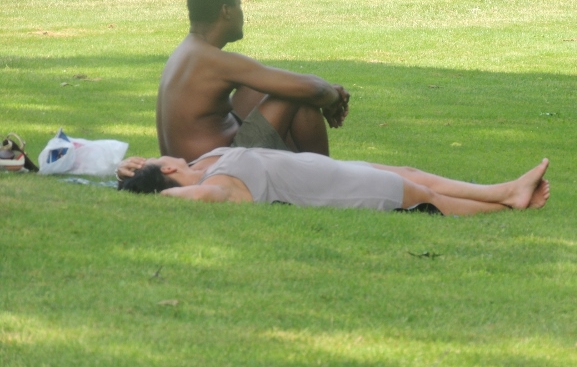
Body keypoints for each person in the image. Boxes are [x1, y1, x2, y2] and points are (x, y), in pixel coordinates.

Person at [156, 0, 350, 163]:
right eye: (238, 5)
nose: (242, 13)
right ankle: (323, 179)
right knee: (297, 95)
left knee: (263, 88)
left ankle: (301, 174)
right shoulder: (214, 60)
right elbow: (314, 89)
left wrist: (323, 93)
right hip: (210, 170)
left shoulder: (186, 52)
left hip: (193, 162)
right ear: (226, 11)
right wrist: (334, 98)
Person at [118, 148, 551, 217]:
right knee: (424, 196)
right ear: (170, 174)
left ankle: (507, 191)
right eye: (157, 160)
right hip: (337, 190)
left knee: (415, 175)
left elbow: (157, 175)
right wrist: (151, 190)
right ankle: (507, 205)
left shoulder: (205, 161)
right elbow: (181, 197)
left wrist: (123, 171)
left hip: (338, 168)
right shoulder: (216, 186)